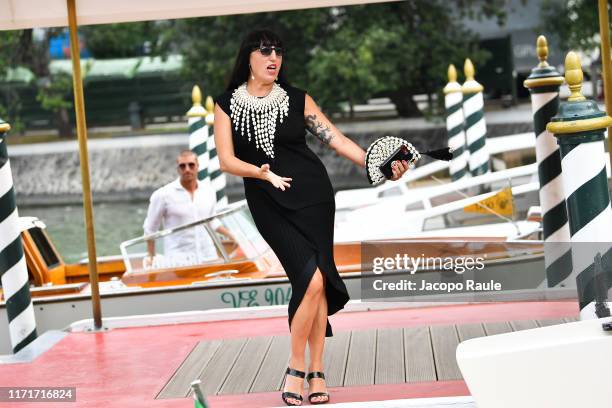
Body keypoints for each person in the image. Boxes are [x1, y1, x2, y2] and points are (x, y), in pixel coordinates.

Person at [214, 30, 409, 406]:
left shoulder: (297, 99)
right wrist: (262, 173)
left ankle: (311, 370)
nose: (274, 58)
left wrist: (381, 165)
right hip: (267, 200)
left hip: (314, 197)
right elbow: (226, 160)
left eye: (279, 52)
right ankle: (298, 364)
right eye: (266, 51)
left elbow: (336, 140)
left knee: (318, 281)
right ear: (248, 57)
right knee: (310, 279)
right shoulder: (226, 104)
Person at [142, 150, 234, 268]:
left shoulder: (209, 191)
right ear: (178, 169)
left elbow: (212, 220)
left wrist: (234, 237)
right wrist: (151, 256)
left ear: (197, 167)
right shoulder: (163, 195)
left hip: (209, 256)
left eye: (191, 165)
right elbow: (150, 229)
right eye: (182, 166)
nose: (187, 169)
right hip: (178, 260)